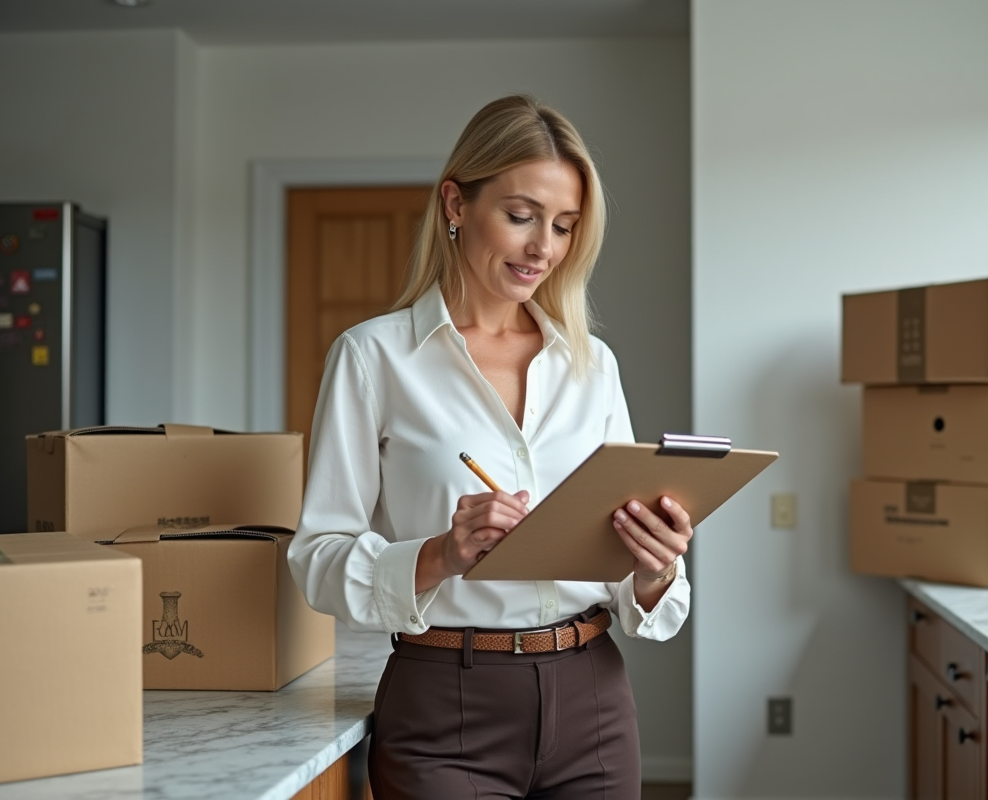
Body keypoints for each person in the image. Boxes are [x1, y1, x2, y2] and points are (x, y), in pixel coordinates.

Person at [287, 94, 692, 800]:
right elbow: (318, 561)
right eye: (521, 215)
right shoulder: (372, 359)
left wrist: (655, 568)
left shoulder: (592, 364)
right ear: (456, 203)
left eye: (564, 226)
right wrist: (441, 553)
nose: (544, 247)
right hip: (445, 707)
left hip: (593, 695)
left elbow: (633, 581)